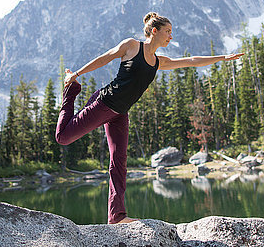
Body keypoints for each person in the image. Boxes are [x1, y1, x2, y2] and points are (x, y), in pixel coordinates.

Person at [55, 12, 244, 224]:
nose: (170, 37)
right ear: (155, 31)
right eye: (168, 32)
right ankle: (70, 92)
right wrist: (76, 75)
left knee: (119, 162)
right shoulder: (132, 46)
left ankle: (117, 217)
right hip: (104, 103)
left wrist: (223, 58)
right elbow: (104, 58)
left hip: (120, 113)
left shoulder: (158, 62)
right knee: (63, 137)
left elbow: (191, 61)